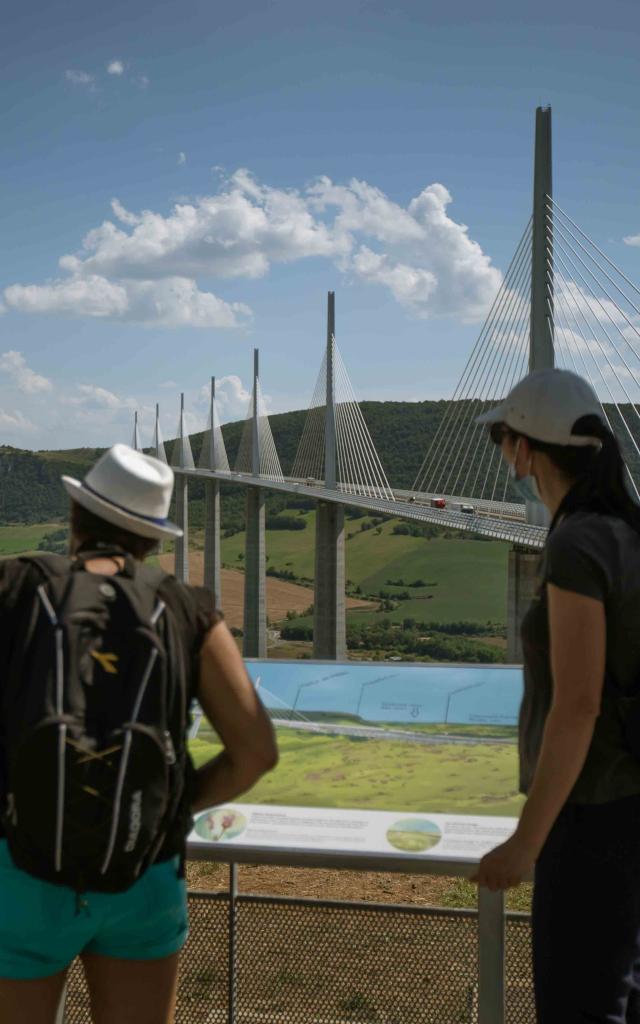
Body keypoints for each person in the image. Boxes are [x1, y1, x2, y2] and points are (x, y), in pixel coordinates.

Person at [0, 444, 278, 1024]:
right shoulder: (187, 610)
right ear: (153, 541)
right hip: (144, 873)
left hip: (19, 875)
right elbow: (255, 752)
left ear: (75, 517)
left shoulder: (15, 587)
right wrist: (171, 807)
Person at [471, 368, 640, 1023]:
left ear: (525, 450)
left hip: (591, 818)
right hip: (632, 807)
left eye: (502, 439)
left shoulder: (576, 544)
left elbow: (578, 706)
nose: (503, 452)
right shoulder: (626, 531)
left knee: (580, 1005)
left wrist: (525, 843)